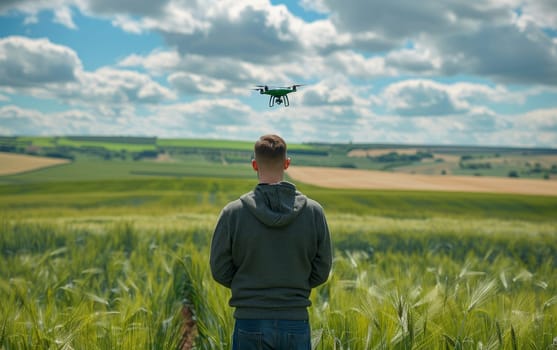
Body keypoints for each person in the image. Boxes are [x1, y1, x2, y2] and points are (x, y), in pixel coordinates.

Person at [210, 134, 332, 350]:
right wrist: (294, 285)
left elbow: (220, 269)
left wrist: (248, 286)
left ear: (254, 165)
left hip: (249, 321)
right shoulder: (314, 212)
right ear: (287, 163)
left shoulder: (232, 213)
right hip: (295, 321)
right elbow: (321, 270)